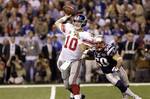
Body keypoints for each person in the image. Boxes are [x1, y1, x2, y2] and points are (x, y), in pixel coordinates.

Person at [55, 13, 94, 99]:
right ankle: (78, 95)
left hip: (75, 60)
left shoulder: (86, 35)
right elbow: (57, 23)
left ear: (83, 23)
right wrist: (65, 17)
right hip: (64, 60)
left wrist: (79, 38)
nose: (76, 23)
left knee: (72, 81)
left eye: (79, 22)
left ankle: (76, 96)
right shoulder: (69, 28)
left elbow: (84, 49)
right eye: (75, 21)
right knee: (66, 85)